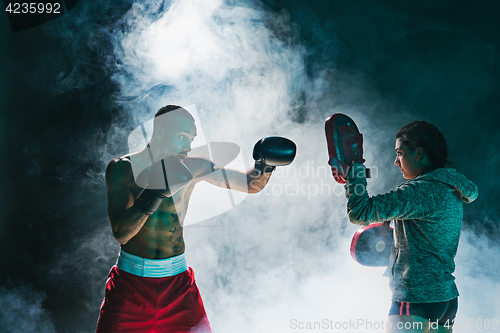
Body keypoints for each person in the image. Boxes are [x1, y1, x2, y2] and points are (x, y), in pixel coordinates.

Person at [95, 105, 296, 333]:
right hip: (131, 287)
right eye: (182, 137)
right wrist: (155, 192)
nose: (188, 147)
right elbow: (122, 233)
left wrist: (265, 165)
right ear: (159, 133)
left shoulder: (194, 166)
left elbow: (250, 184)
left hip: (178, 288)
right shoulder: (123, 168)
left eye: (191, 139)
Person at [342, 120, 478, 333]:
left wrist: (355, 173)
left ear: (418, 153)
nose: (396, 161)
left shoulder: (419, 191)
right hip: (446, 300)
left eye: (400, 153)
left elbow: (361, 212)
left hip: (416, 300)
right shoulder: (451, 187)